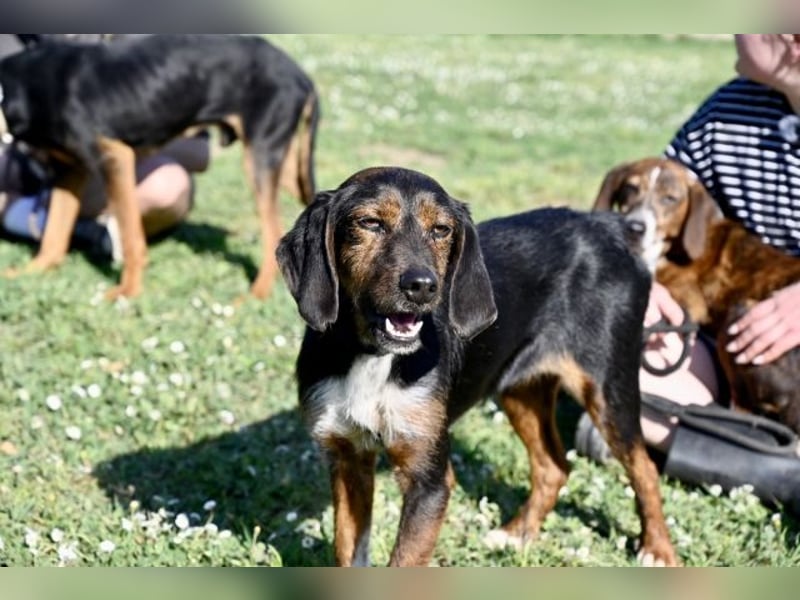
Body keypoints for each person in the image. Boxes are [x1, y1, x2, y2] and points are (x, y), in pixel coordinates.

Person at [576, 35, 800, 507]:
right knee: (605, 340)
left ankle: (668, 435)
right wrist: (641, 280)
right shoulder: (729, 107)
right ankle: (764, 457)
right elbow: (660, 197)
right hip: (729, 339)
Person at [0, 34, 211, 262]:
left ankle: (56, 225)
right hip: (20, 165)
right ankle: (56, 226)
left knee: (166, 186)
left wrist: (105, 143)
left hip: (98, 169)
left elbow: (198, 152)